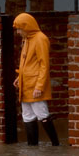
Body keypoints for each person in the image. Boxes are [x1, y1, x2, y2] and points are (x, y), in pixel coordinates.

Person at [13, 13, 59, 146]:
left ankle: (55, 145)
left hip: (35, 84)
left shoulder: (40, 39)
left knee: (42, 113)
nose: (18, 32)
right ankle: (32, 146)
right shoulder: (27, 39)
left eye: (19, 28)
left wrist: (39, 86)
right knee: (27, 115)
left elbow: (43, 65)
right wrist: (19, 78)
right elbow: (28, 64)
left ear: (27, 27)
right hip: (26, 84)